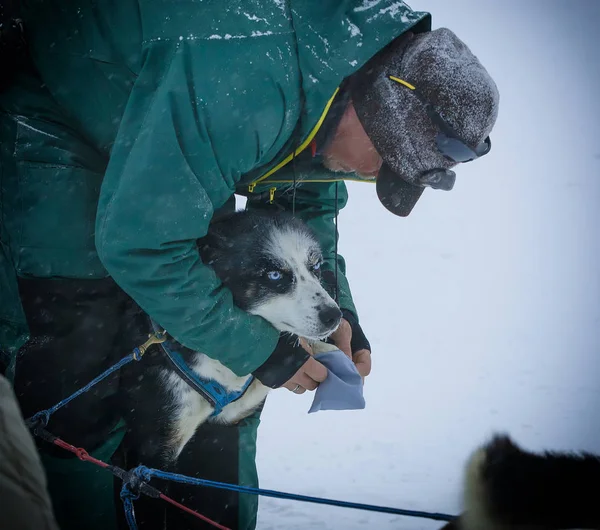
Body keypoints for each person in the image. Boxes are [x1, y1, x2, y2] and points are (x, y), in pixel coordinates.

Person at [0, 1, 499, 529]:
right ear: (369, 110)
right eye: (383, 161)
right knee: (82, 343)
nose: (369, 176)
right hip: (60, 115)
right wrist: (267, 352)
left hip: (179, 123)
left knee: (232, 318)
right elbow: (143, 248)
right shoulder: (247, 85)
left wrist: (335, 312)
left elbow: (306, 203)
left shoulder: (343, 77)